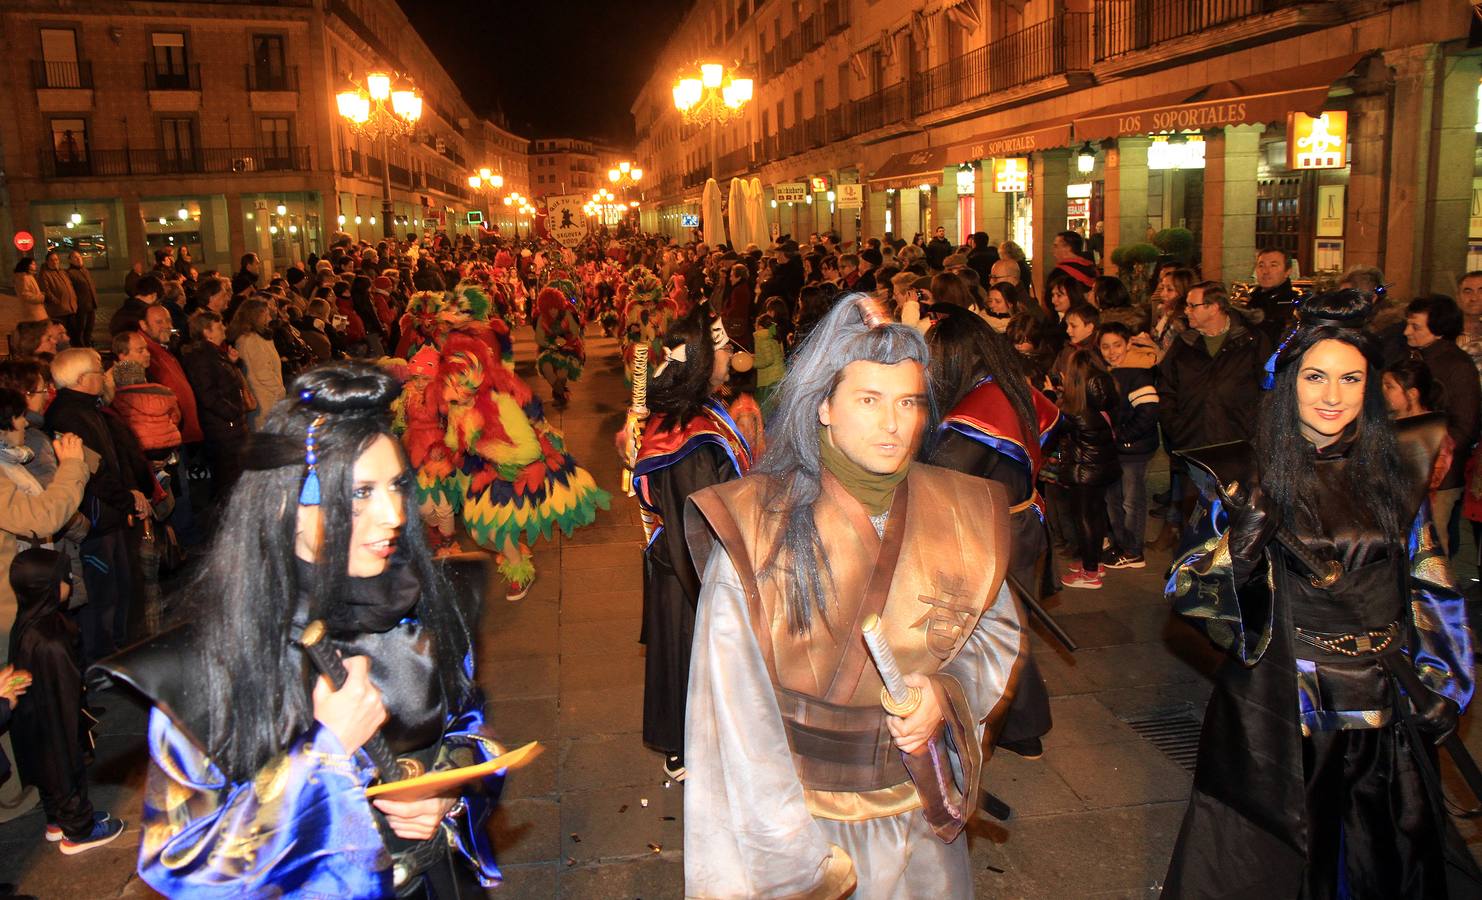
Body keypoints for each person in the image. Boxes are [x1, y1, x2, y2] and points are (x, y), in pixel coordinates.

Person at [96, 365, 507, 897]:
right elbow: (184, 863)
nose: (392, 514)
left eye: (396, 485)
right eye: (359, 493)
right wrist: (324, 756)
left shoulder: (423, 602)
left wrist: (446, 792)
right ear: (289, 502)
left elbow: (468, 726)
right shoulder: (205, 664)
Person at [683, 294, 1022, 897]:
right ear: (824, 409)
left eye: (909, 402)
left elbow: (994, 633)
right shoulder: (754, 524)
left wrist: (944, 695)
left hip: (918, 808)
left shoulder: (962, 507)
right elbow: (733, 718)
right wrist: (789, 861)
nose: (894, 424)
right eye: (868, 400)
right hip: (807, 824)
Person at [1162, 290, 1477, 898]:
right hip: (1287, 704)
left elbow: (1429, 579)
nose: (1332, 397)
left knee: (1384, 857)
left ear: (1370, 385)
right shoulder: (1241, 473)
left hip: (1385, 697)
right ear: (1288, 382)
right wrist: (1241, 549)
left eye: (1350, 378)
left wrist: (1443, 679)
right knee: (1283, 863)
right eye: (1315, 376)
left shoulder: (1397, 466)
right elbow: (1189, 592)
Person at [927, 305, 1062, 759]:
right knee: (1012, 627)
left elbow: (941, 471)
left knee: (999, 631)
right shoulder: (1006, 385)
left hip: (998, 531)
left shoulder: (984, 406)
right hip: (1021, 520)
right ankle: (1022, 727)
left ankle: (1014, 726)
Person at [630, 310, 752, 782]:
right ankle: (687, 750)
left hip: (686, 570)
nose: (730, 356)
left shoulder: (694, 415)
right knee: (690, 661)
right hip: (691, 575)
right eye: (723, 349)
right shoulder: (689, 438)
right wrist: (718, 596)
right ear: (702, 358)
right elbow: (695, 529)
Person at [8, 548, 124, 854]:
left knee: (47, 768)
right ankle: (79, 831)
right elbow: (64, 696)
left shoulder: (27, 621)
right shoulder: (50, 639)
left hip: (32, 719)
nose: (69, 581)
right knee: (64, 765)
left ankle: (56, 820)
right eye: (64, 578)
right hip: (55, 719)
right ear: (45, 588)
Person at [45, 349, 149, 667]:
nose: (104, 375)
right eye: (98, 370)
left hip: (112, 514)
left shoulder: (91, 409)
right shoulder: (68, 416)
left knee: (119, 586)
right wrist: (127, 498)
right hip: (97, 521)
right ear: (80, 380)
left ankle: (118, 650)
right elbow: (93, 473)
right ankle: (103, 662)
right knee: (102, 594)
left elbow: (112, 461)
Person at [1403, 294, 1479, 555]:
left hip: (1441, 474)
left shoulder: (1456, 366)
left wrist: (1436, 456)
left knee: (1434, 542)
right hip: (1416, 467)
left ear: (1438, 330)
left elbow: (1465, 425)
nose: (1407, 332)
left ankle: (1440, 594)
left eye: (1415, 327)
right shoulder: (1419, 358)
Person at [1051, 348, 1120, 589]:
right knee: (1096, 515)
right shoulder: (1103, 407)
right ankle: (1095, 563)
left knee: (1084, 519)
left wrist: (1051, 395)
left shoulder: (1075, 413)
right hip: (1102, 468)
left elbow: (1052, 429)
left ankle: (1089, 573)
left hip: (1084, 472)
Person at [1097, 321, 1159, 568]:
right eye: (1105, 347)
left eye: (1117, 345)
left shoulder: (1137, 373)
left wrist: (1122, 436)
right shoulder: (1109, 373)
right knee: (1114, 499)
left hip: (1134, 449)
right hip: (1116, 449)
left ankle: (1134, 550)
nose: (1112, 352)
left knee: (1131, 500)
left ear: (1128, 344)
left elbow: (1148, 411)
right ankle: (1122, 545)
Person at [230, 298, 286, 427]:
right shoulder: (250, 340)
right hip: (265, 400)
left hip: (268, 398)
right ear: (255, 316)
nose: (269, 316)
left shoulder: (259, 337)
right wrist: (279, 391)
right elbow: (262, 371)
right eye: (265, 313)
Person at [532, 285, 585, 408]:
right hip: (549, 348)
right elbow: (539, 338)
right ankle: (562, 392)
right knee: (546, 367)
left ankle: (559, 394)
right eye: (549, 308)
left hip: (570, 348)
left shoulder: (567, 314)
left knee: (563, 371)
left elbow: (575, 333)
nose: (552, 311)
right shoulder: (542, 318)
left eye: (555, 307)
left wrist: (565, 342)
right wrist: (551, 345)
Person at [1248, 246, 1303, 339]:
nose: (1265, 271)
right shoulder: (1251, 299)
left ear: (1288, 271)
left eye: (1273, 265)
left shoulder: (1295, 304)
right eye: (1261, 266)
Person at [37, 252, 78, 344]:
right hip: (58, 311)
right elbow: (46, 291)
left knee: (73, 334)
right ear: (47, 262)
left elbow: (70, 287)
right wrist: (57, 302)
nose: (54, 262)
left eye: (56, 259)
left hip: (70, 308)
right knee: (61, 335)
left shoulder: (62, 272)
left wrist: (74, 300)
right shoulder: (45, 275)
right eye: (51, 260)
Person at [65, 251, 98, 350]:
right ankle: (81, 348)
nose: (78, 259)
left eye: (79, 256)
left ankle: (88, 346)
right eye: (75, 257)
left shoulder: (85, 270)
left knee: (89, 328)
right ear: (70, 260)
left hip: (91, 304)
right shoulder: (70, 273)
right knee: (80, 330)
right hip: (80, 307)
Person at [12, 258, 45, 322]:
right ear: (27, 265)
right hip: (32, 311)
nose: (35, 266)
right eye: (33, 264)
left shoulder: (29, 276)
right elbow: (25, 295)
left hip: (36, 310)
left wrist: (40, 294)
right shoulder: (23, 278)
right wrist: (40, 298)